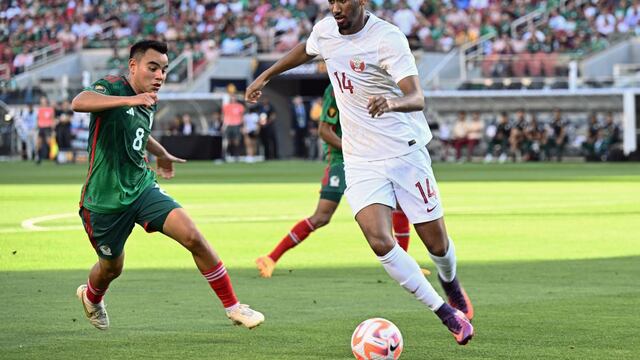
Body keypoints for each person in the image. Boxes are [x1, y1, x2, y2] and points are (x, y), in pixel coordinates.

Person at [246, 2, 473, 345]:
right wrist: (266, 74)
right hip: (359, 158)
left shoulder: (387, 38)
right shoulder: (324, 31)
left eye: (344, 0)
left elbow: (416, 96)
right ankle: (446, 314)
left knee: (437, 243)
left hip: (404, 152)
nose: (336, 7)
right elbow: (305, 50)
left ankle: (451, 282)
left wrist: (391, 102)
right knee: (380, 240)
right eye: (332, 0)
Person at [71, 40, 264, 331]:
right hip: (104, 199)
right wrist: (130, 100)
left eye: (164, 70)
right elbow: (79, 102)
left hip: (142, 187)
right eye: (153, 68)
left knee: (193, 236)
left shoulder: (148, 99)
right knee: (111, 267)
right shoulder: (112, 87)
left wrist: (160, 153)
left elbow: (140, 132)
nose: (160, 75)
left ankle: (233, 306)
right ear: (133, 66)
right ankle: (92, 296)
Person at [256, 84, 412, 278]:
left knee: (399, 205)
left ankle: (405, 267)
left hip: (368, 159)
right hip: (342, 162)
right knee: (321, 217)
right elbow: (324, 131)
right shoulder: (336, 88)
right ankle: (270, 258)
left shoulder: (369, 82)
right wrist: (354, 150)